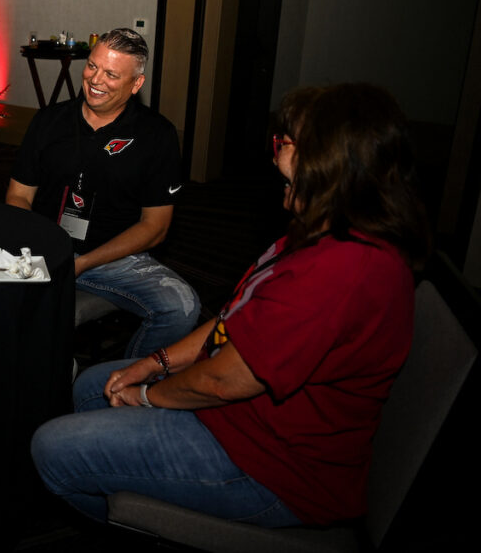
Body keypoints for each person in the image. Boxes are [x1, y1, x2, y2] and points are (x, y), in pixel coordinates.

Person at [31, 84, 430, 528]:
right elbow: (233, 318)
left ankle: (141, 524)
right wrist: (155, 362)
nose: (276, 154)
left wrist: (149, 396)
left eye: (286, 143)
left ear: (327, 162)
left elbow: (226, 380)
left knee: (50, 448)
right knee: (91, 386)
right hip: (241, 422)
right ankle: (125, 488)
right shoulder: (314, 231)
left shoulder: (345, 269)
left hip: (272, 469)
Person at [6, 28, 200, 357]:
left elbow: (156, 227)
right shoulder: (49, 121)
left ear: (136, 84)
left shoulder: (157, 135)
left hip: (112, 257)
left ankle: (119, 384)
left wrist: (80, 264)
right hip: (43, 249)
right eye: (93, 66)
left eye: (111, 74)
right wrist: (41, 249)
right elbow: (18, 196)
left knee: (181, 307)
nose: (96, 80)